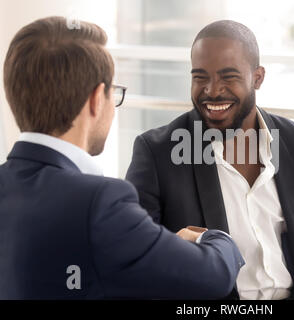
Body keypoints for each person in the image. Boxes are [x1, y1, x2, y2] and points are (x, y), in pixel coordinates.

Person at [0, 16, 244, 300]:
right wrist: (215, 239)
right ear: (95, 100)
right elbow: (211, 277)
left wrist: (152, 247)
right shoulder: (100, 202)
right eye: (114, 93)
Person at [126, 20, 294, 300]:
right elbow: (135, 264)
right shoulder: (157, 153)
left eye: (228, 77)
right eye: (200, 77)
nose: (212, 91)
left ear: (258, 78)